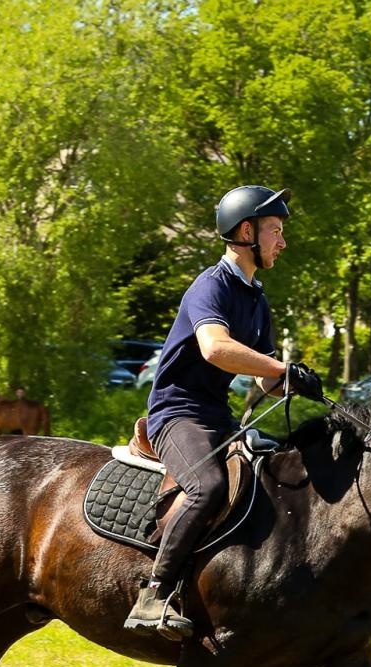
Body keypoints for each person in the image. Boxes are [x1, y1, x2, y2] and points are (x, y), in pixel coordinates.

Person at [125, 185, 323, 640]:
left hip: (218, 416)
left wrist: (295, 381)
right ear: (247, 231)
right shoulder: (210, 285)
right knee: (207, 488)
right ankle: (153, 594)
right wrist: (279, 367)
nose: (283, 242)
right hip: (177, 413)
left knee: (276, 479)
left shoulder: (256, 298)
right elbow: (215, 348)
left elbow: (263, 379)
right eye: (276, 231)